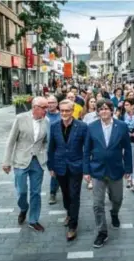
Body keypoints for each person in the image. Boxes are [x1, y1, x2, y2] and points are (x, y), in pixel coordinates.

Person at [83, 99, 132, 248]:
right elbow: (86, 151)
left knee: (117, 198)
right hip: (97, 170)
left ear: (112, 110)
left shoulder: (122, 126)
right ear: (97, 111)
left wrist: (128, 169)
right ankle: (102, 232)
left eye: (106, 108)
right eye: (100, 109)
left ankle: (114, 213)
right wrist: (86, 170)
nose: (103, 111)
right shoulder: (91, 127)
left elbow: (128, 149)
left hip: (116, 169)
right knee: (97, 204)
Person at [2, 97, 49, 232]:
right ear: (35, 107)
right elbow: (11, 141)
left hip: (38, 161)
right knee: (22, 191)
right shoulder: (20, 118)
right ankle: (24, 208)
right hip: (20, 160)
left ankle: (33, 220)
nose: (47, 110)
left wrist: (44, 152)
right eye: (44, 108)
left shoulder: (47, 122)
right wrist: (6, 161)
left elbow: (46, 141)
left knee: (36, 192)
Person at [48, 99, 88, 241]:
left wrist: (86, 167)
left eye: (68, 110)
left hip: (76, 166)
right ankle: (69, 213)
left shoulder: (82, 127)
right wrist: (51, 167)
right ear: (59, 110)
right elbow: (51, 148)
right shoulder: (53, 126)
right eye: (62, 110)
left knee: (74, 194)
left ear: (72, 111)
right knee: (65, 194)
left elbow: (87, 148)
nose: (65, 113)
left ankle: (73, 226)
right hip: (59, 166)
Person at [119, 98, 134, 193]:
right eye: (125, 105)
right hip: (125, 142)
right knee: (127, 159)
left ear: (132, 106)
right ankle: (129, 178)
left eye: (127, 105)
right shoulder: (122, 116)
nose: (125, 107)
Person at [46, 95, 61, 205]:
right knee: (53, 170)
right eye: (49, 102)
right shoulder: (43, 115)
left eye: (53, 102)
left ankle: (53, 192)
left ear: (57, 104)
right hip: (47, 148)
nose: (50, 105)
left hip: (59, 148)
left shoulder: (61, 115)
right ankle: (54, 189)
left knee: (55, 170)